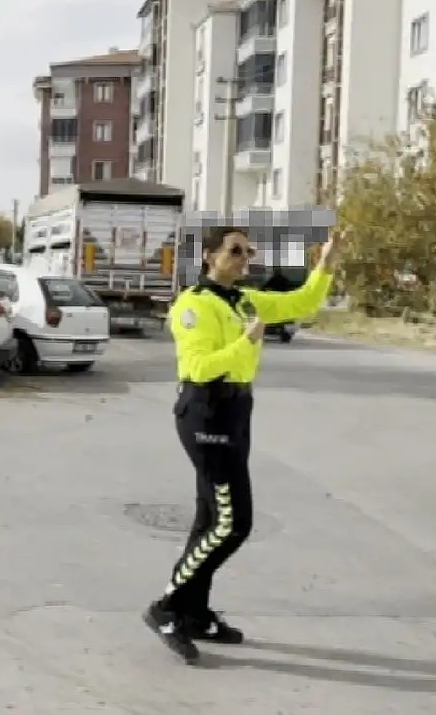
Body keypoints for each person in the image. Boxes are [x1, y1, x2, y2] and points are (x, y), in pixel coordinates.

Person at [144, 225, 341, 664]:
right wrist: (245, 342)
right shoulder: (193, 305)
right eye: (234, 250)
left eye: (247, 251)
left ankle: (194, 613)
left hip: (236, 411)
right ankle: (167, 606)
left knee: (209, 518)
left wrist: (326, 263)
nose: (244, 257)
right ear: (210, 256)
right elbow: (197, 367)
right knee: (233, 524)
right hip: (205, 413)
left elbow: (302, 303)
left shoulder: (244, 299)